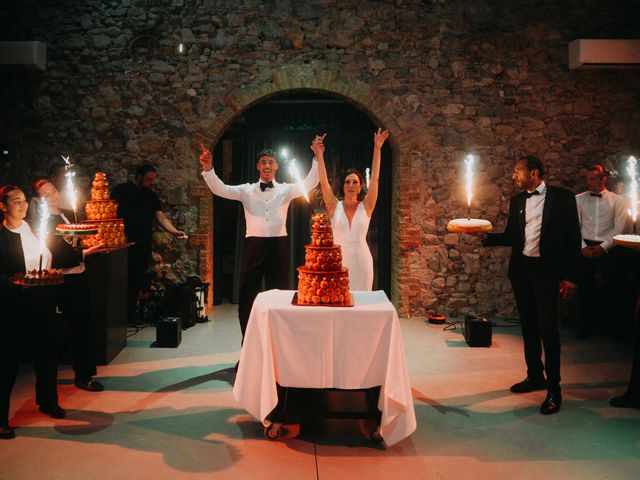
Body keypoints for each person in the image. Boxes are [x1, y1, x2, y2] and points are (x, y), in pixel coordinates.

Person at [480, 156, 582, 415]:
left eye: (518, 171)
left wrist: (570, 277)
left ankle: (554, 389)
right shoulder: (517, 201)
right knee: (528, 326)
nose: (514, 176)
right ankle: (534, 375)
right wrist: (485, 237)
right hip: (522, 271)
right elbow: (513, 236)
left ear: (534, 173)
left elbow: (573, 238)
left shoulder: (563, 198)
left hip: (547, 274)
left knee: (548, 328)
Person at [199, 142, 319, 343]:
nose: (267, 166)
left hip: (279, 247)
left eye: (271, 162)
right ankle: (248, 347)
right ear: (257, 166)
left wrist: (317, 157)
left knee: (281, 297)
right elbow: (220, 189)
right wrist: (208, 169)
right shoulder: (246, 190)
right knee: (246, 299)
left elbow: (309, 183)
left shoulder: (285, 190)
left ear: (276, 166)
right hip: (253, 246)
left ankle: (279, 347)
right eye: (263, 162)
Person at [0, 185, 64, 440]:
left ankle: (47, 401)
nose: (22, 205)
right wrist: (15, 283)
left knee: (47, 353)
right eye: (15, 202)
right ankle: (1, 419)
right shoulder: (2, 236)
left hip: (41, 300)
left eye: (24, 200)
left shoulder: (30, 229)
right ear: (2, 207)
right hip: (13, 306)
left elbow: (43, 260)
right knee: (8, 361)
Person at [34, 179, 105, 392]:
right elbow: (56, 254)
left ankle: (83, 372)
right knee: (71, 328)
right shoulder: (44, 222)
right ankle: (81, 375)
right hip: (62, 280)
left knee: (83, 325)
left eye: (53, 191)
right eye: (46, 195)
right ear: (38, 200)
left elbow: (80, 240)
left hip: (79, 276)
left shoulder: (67, 215)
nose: (53, 196)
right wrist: (87, 252)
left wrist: (95, 246)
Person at [312, 129, 389, 291]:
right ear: (343, 185)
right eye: (348, 182)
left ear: (361, 187)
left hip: (362, 261)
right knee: (339, 301)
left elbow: (375, 177)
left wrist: (378, 148)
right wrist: (319, 155)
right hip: (338, 262)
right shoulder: (334, 206)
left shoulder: (366, 206)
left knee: (362, 304)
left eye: (355, 182)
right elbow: (324, 182)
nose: (351, 185)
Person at [111, 165, 187, 324]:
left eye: (153, 179)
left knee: (136, 281)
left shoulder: (151, 196)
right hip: (120, 246)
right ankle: (115, 318)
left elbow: (161, 218)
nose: (152, 182)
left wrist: (174, 232)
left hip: (142, 245)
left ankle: (130, 316)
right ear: (138, 176)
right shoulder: (121, 191)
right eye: (148, 179)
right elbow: (110, 213)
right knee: (118, 281)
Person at [574, 165, 627, 339]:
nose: (588, 183)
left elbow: (619, 228)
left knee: (614, 287)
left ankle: (614, 328)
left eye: (592, 179)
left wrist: (603, 247)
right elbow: (575, 226)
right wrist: (582, 246)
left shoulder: (618, 201)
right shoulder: (579, 199)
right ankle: (584, 327)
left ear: (603, 179)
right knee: (584, 288)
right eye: (586, 179)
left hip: (609, 246)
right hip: (585, 245)